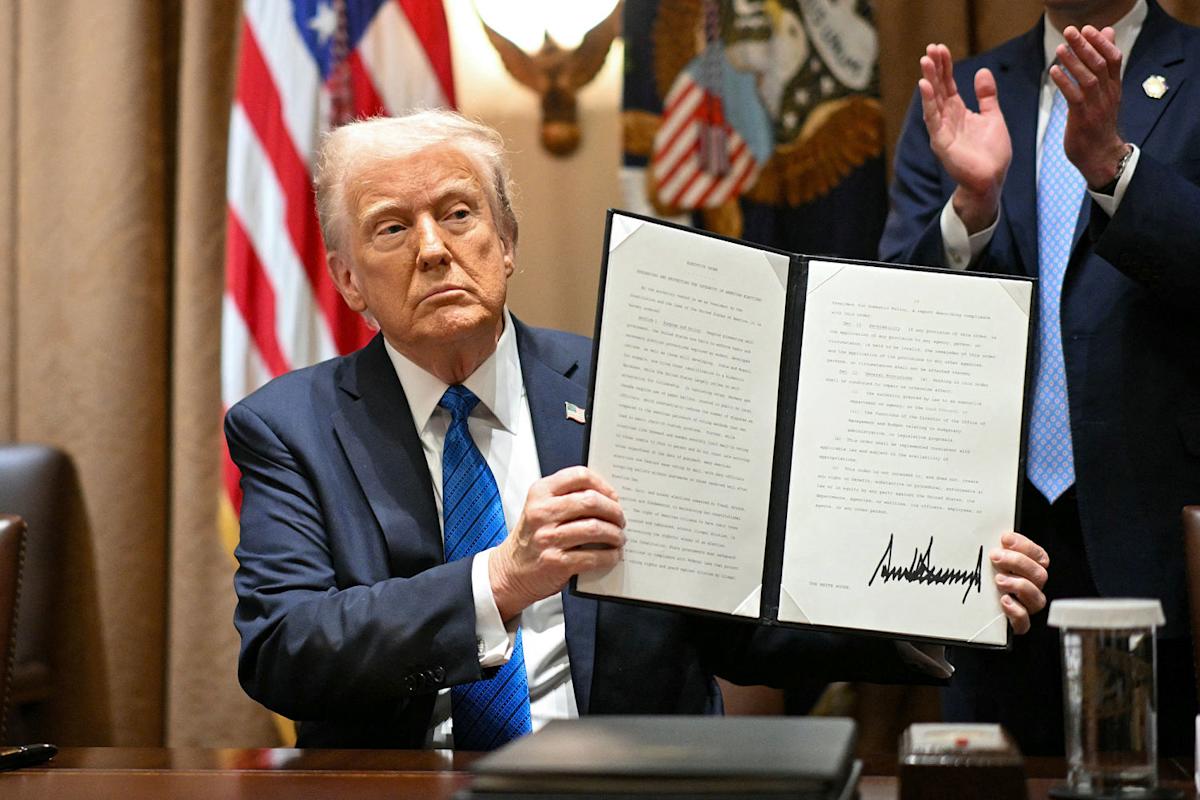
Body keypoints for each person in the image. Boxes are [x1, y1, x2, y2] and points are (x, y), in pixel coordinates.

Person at [228, 109, 1050, 749]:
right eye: (393, 228)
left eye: (459, 214)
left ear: (506, 242)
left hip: (632, 780)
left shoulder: (637, 386)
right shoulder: (291, 428)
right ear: (347, 280)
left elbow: (746, 618)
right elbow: (284, 649)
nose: (436, 250)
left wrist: (935, 596)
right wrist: (499, 582)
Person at [879, 0, 1199, 756]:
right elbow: (892, 315)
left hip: (1156, 540)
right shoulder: (963, 93)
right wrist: (971, 208)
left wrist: (1115, 169)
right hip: (985, 555)